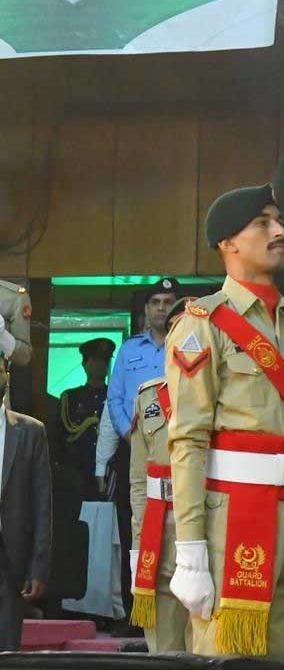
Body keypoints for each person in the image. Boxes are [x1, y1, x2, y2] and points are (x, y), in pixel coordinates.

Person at [165, 184, 284, 665]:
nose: (279, 231)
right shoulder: (204, 324)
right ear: (228, 243)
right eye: (262, 223)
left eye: (278, 220)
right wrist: (190, 546)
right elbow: (188, 439)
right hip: (232, 521)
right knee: (229, 659)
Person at [107, 277, 183, 614]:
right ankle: (135, 608)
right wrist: (130, 435)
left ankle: (180, 607)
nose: (162, 309)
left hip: (180, 450)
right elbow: (115, 397)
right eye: (156, 302)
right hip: (136, 450)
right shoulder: (129, 349)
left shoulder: (189, 342)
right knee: (133, 525)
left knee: (180, 527)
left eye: (168, 302)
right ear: (146, 309)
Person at [129, 354, 188, 652]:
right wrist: (137, 546)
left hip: (210, 523)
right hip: (158, 527)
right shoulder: (148, 396)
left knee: (208, 650)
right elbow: (139, 481)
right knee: (163, 650)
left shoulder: (229, 394)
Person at [0, 353, 52, 650]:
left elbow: (42, 504)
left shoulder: (31, 432)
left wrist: (39, 566)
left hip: (11, 558)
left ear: (6, 375)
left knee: (7, 650)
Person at [51, 337, 114, 502]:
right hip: (75, 475)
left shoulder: (116, 397)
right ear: (85, 363)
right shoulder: (70, 398)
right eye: (97, 359)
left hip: (107, 475)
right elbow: (57, 439)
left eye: (106, 360)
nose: (102, 364)